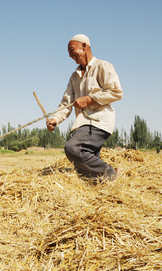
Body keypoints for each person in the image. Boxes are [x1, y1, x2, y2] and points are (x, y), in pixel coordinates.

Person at [47, 34, 123, 183]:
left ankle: (112, 173)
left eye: (72, 50)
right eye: (68, 53)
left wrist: (89, 99)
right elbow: (66, 102)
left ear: (84, 46)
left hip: (98, 121)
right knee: (87, 169)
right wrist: (55, 119)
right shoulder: (74, 76)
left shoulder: (103, 66)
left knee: (73, 148)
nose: (70, 55)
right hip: (83, 124)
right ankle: (102, 183)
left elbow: (116, 92)